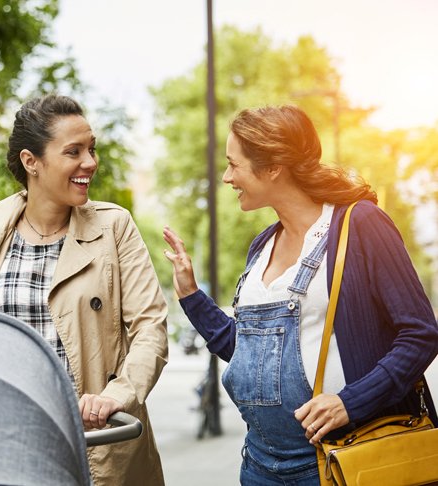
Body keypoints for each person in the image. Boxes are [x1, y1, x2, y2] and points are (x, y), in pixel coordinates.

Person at [163, 105, 438, 485]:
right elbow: (251, 356)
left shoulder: (359, 225)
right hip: (260, 467)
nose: (226, 177)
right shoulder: (262, 246)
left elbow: (421, 333)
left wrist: (350, 402)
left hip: (341, 459)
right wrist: (192, 297)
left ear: (273, 167)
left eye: (233, 164)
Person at [0, 94, 169, 485]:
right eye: (73, 152)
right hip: (9, 441)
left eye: (92, 149)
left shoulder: (114, 228)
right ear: (32, 162)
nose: (90, 163)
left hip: (98, 438)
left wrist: (117, 395)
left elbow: (151, 328)